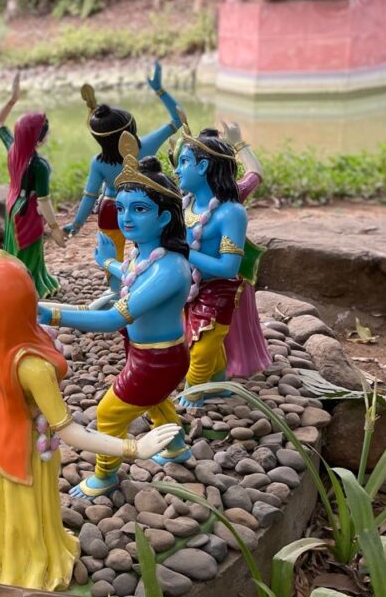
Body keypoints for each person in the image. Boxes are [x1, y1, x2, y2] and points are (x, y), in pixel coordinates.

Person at [0, 251, 180, 590]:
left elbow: (66, 313)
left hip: (3, 433)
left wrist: (106, 302)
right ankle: (27, 568)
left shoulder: (4, 335)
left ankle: (5, 556)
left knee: (10, 513)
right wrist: (135, 447)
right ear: (24, 301)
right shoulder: (33, 367)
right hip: (26, 449)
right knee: (25, 514)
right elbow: (72, 432)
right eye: (30, 289)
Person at [39, 133, 192, 499]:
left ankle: (105, 476)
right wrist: (108, 262)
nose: (125, 218)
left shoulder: (170, 268)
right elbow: (132, 283)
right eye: (121, 208)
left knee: (109, 415)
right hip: (147, 351)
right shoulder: (144, 254)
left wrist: (51, 313)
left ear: (165, 217)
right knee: (155, 402)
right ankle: (177, 447)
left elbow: (113, 320)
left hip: (156, 359)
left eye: (139, 210)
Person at [63, 61, 184, 264]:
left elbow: (90, 196)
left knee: (112, 255)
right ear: (131, 128)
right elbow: (178, 119)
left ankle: (115, 286)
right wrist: (159, 89)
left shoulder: (99, 163)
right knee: (148, 252)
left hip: (112, 208)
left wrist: (76, 224)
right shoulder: (145, 146)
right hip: (144, 205)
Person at [173, 120, 248, 408]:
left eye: (183, 162)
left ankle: (193, 391)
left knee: (201, 344)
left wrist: (181, 251)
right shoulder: (185, 204)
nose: (177, 170)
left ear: (203, 167)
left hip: (218, 290)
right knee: (195, 335)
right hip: (189, 286)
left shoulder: (231, 213)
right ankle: (219, 382)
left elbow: (229, 268)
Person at [0, 72, 63, 298]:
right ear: (38, 138)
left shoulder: (13, 147)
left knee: (14, 244)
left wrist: (12, 99)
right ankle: (29, 285)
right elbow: (43, 200)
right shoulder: (39, 165)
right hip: (28, 210)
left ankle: (14, 279)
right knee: (30, 247)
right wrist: (54, 228)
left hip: (12, 203)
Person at [220, 121, 272, 379]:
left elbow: (256, 172)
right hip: (202, 277)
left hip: (231, 273)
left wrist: (238, 143)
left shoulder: (230, 197)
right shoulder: (187, 199)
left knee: (235, 316)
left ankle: (239, 360)